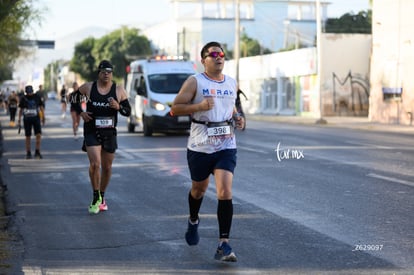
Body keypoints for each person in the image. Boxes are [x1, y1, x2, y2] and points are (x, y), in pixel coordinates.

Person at [171, 41, 244, 262]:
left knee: (225, 191)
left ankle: (224, 243)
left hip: (226, 146)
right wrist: (198, 107)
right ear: (203, 61)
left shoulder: (231, 83)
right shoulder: (195, 82)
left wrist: (237, 118)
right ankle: (193, 219)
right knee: (198, 190)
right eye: (213, 54)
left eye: (222, 54)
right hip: (200, 146)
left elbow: (231, 108)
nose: (219, 57)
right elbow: (175, 108)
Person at [71, 60, 131, 214]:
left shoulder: (118, 90)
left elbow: (128, 111)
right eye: (104, 71)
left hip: (109, 133)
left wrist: (118, 107)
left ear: (112, 74)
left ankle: (102, 196)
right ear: (99, 72)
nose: (106, 74)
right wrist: (81, 112)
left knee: (107, 167)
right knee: (95, 164)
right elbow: (72, 98)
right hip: (92, 130)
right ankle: (95, 195)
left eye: (109, 72)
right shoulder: (89, 87)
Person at [17, 85, 45, 159]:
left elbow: (41, 107)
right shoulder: (23, 98)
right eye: (28, 92)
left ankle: (37, 151)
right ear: (26, 92)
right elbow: (20, 110)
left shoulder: (37, 97)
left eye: (30, 92)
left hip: (36, 119)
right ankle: (28, 152)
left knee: (38, 135)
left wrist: (43, 117)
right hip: (27, 119)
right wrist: (19, 120)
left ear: (32, 91)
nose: (29, 94)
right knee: (28, 136)